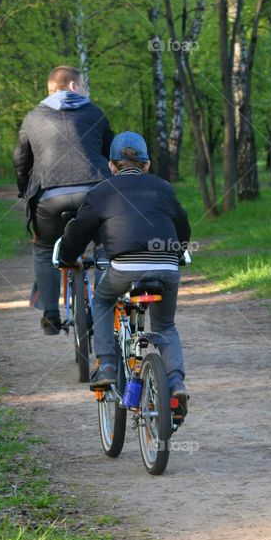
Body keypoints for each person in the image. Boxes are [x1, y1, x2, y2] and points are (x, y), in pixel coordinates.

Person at [55, 131, 191, 416]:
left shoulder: (101, 192)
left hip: (125, 267)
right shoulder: (164, 189)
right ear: (147, 165)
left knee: (103, 300)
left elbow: (79, 232)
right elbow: (182, 226)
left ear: (112, 166)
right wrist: (178, 254)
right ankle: (176, 383)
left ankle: (106, 365)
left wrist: (67, 257)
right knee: (165, 327)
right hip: (167, 265)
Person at [13, 65, 114, 334]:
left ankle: (50, 315)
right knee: (106, 244)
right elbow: (111, 154)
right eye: (83, 86)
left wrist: (25, 193)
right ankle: (103, 306)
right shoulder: (94, 113)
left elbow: (21, 161)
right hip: (94, 193)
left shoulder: (32, 118)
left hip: (50, 198)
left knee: (45, 249)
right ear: (72, 86)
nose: (85, 92)